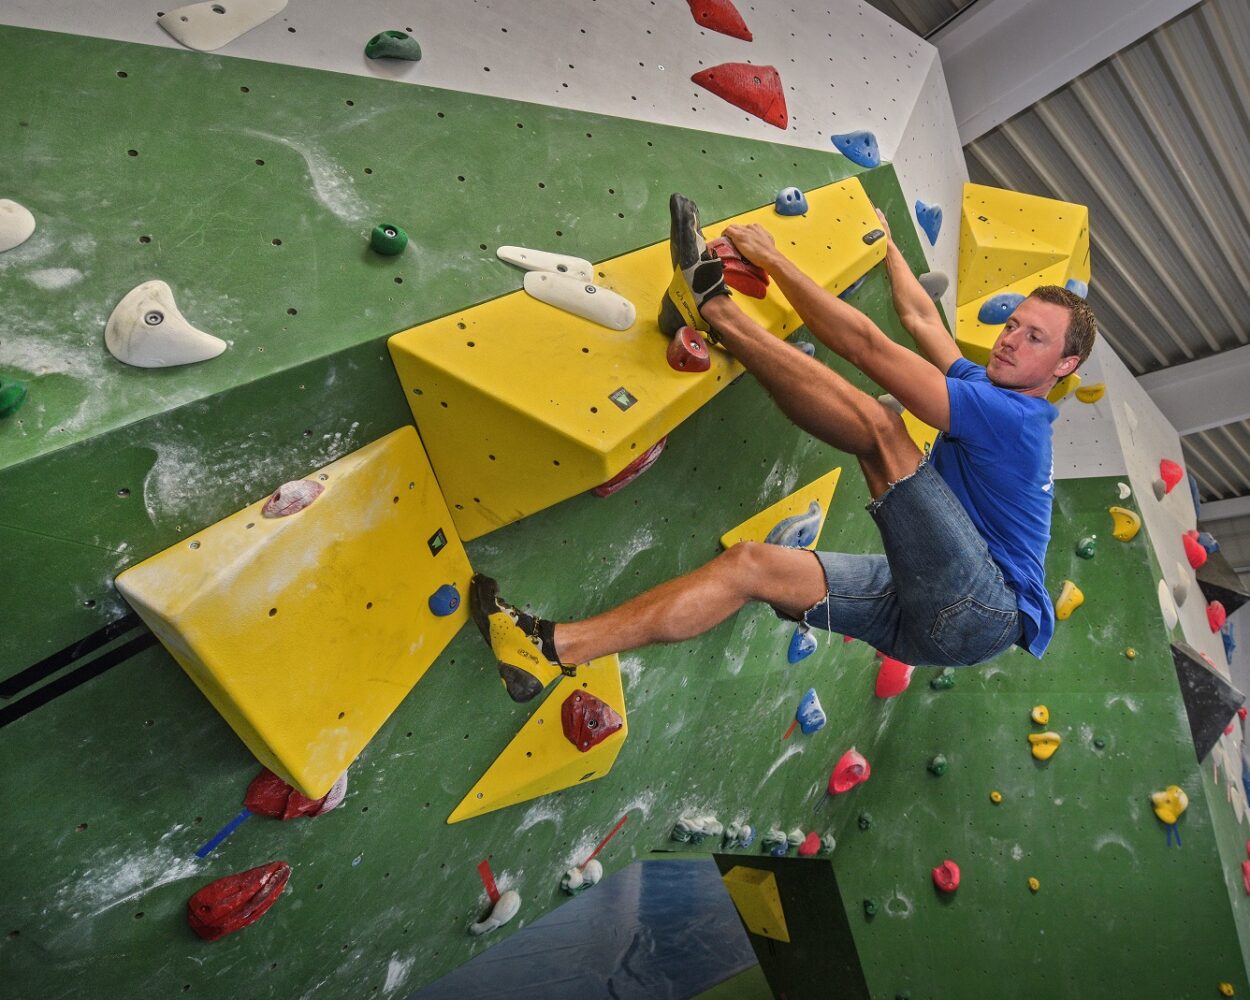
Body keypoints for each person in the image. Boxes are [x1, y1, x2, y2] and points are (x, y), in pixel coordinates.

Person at [471, 193, 1098, 703]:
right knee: (750, 566)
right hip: (939, 620)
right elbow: (923, 320)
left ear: (1064, 364)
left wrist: (774, 262)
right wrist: (888, 246)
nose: (1012, 340)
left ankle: (713, 307)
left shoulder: (1017, 418)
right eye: (1012, 324)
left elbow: (870, 350)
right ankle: (551, 648)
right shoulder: (983, 385)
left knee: (883, 429)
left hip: (983, 603)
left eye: (1035, 338)